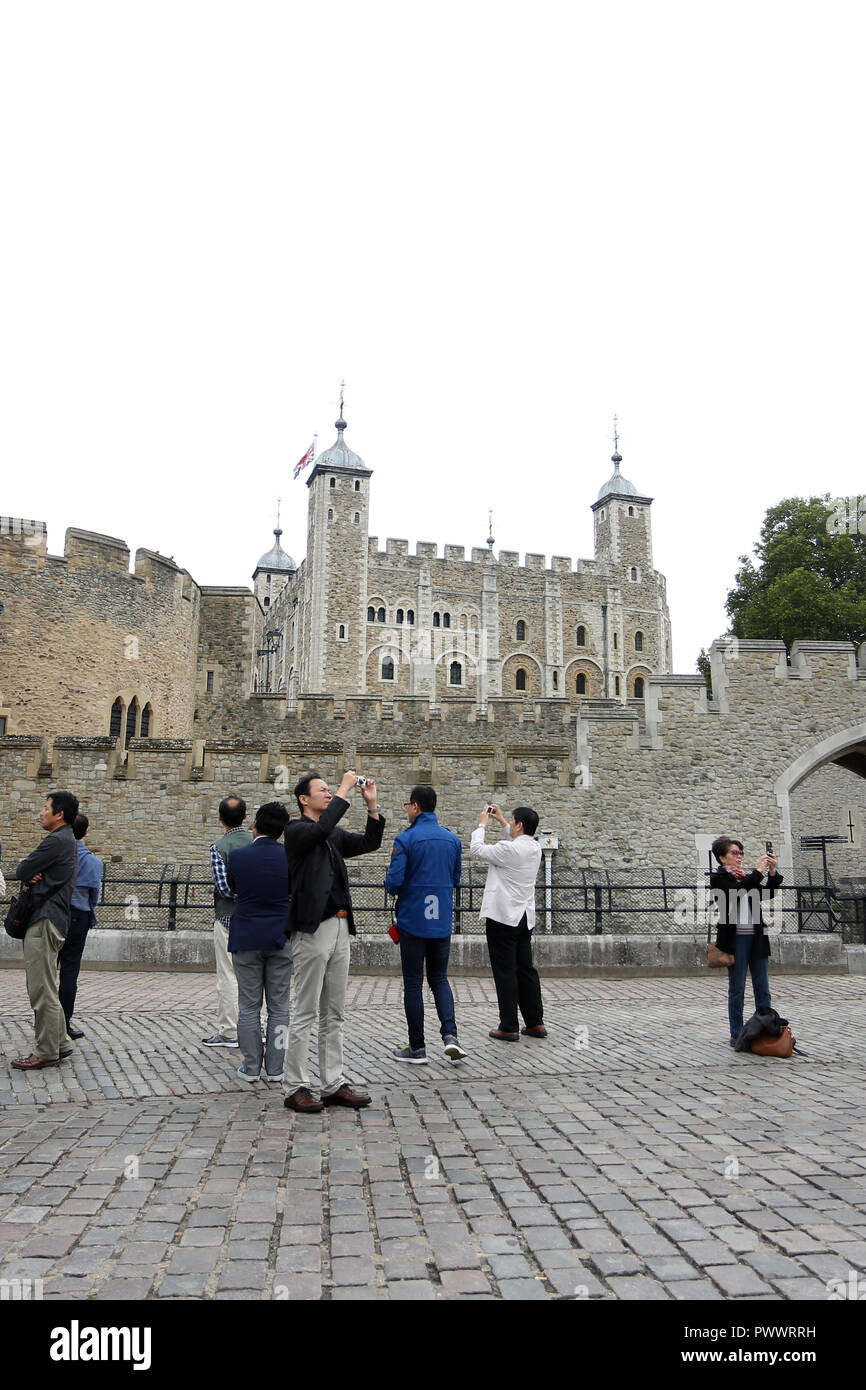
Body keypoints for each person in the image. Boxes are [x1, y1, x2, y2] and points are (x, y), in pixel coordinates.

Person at [282, 771, 384, 1112]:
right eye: (322, 791)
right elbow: (320, 829)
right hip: (313, 929)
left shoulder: (331, 835)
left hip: (340, 927)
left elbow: (370, 843)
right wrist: (344, 788)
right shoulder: (296, 832)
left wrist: (372, 808)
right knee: (306, 1010)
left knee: (334, 1012)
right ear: (303, 799)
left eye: (331, 790)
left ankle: (332, 1083)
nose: (328, 794)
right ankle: (295, 1084)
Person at [386, 785, 465, 1064]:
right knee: (440, 979)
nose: (407, 809)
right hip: (441, 921)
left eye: (408, 804)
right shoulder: (452, 840)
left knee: (412, 984)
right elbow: (456, 879)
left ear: (416, 807)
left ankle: (417, 1047)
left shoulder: (406, 839)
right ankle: (451, 1036)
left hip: (413, 922)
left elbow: (393, 884)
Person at [11, 791, 80, 1070]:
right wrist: (30, 871)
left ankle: (46, 1050)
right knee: (49, 985)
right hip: (55, 919)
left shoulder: (56, 840)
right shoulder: (67, 841)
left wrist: (29, 871)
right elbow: (28, 870)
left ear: (59, 814)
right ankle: (61, 1042)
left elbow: (23, 868)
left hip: (44, 919)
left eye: (46, 807)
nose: (41, 812)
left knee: (41, 990)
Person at [226, 801, 293, 1085]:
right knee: (279, 1007)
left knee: (249, 1005)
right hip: (280, 936)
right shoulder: (291, 857)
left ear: (255, 825)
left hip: (246, 936)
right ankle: (276, 1068)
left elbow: (232, 888)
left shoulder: (239, 857)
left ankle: (251, 1066)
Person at [471, 803, 545, 1042]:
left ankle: (509, 1025)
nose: (510, 825)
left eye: (513, 822)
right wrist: (503, 821)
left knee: (505, 971)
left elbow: (477, 849)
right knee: (525, 969)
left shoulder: (508, 850)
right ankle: (535, 1022)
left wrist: (482, 823)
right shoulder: (535, 848)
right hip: (524, 917)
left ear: (520, 825)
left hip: (503, 916)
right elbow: (515, 843)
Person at [710, 836, 782, 1047]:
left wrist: (771, 871)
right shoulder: (719, 879)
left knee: (763, 987)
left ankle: (766, 1027)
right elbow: (735, 895)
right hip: (735, 941)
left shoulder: (745, 878)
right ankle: (736, 1033)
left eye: (741, 853)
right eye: (735, 853)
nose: (740, 857)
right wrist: (757, 873)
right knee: (737, 988)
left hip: (757, 938)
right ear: (722, 858)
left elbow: (768, 892)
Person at [203, 795, 253, 1048]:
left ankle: (230, 1030)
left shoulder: (219, 847)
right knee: (255, 975)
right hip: (256, 919)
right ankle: (257, 1028)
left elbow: (223, 888)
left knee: (229, 975)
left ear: (220, 818)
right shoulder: (257, 843)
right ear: (246, 816)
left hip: (228, 917)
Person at [58, 814, 103, 1039]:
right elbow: (94, 896)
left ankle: (43, 1020)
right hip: (78, 916)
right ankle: (64, 1022)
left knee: (46, 972)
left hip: (54, 914)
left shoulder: (56, 854)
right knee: (69, 971)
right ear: (86, 832)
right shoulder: (93, 862)